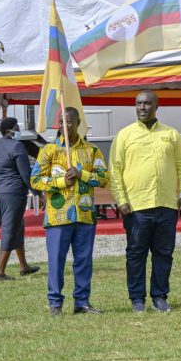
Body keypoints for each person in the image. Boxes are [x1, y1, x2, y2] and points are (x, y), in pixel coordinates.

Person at [109, 91, 181, 313]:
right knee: (136, 253)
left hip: (166, 204)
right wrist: (121, 199)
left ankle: (159, 296)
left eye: (147, 103)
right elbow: (115, 171)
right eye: (138, 104)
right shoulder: (124, 135)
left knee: (164, 252)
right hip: (136, 206)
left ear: (157, 106)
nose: (142, 107)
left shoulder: (171, 134)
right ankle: (137, 299)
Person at [30, 108, 108, 315]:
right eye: (61, 122)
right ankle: (55, 303)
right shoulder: (49, 151)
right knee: (56, 260)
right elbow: (35, 180)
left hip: (85, 214)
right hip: (58, 216)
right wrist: (60, 181)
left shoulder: (92, 151)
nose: (65, 126)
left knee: (83, 260)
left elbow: (103, 178)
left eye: (69, 122)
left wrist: (81, 174)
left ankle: (82, 302)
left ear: (78, 123)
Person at [0, 116, 40, 281]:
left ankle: (24, 266)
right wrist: (37, 193)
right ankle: (0, 272)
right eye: (16, 128)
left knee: (17, 225)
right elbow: (25, 174)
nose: (18, 131)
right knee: (10, 228)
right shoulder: (18, 146)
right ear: (8, 130)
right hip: (13, 193)